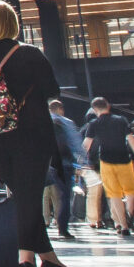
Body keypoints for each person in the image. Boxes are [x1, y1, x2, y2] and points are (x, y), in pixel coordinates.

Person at [0, 3, 72, 267]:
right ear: (13, 23)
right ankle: (26, 259)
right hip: (31, 134)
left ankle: (49, 259)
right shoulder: (28, 54)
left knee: (24, 195)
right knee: (29, 194)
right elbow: (52, 90)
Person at [81, 98, 134, 236]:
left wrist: (80, 161)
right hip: (125, 160)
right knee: (131, 192)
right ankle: (129, 212)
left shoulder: (94, 123)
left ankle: (123, 225)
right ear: (108, 105)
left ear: (95, 109)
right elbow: (132, 141)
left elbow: (85, 145)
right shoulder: (121, 120)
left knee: (115, 195)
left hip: (106, 162)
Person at [46, 98, 86, 239]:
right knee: (64, 197)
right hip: (64, 164)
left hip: (46, 164)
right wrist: (83, 161)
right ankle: (63, 227)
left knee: (41, 197)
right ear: (61, 109)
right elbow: (76, 143)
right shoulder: (67, 122)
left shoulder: (41, 121)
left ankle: (40, 227)